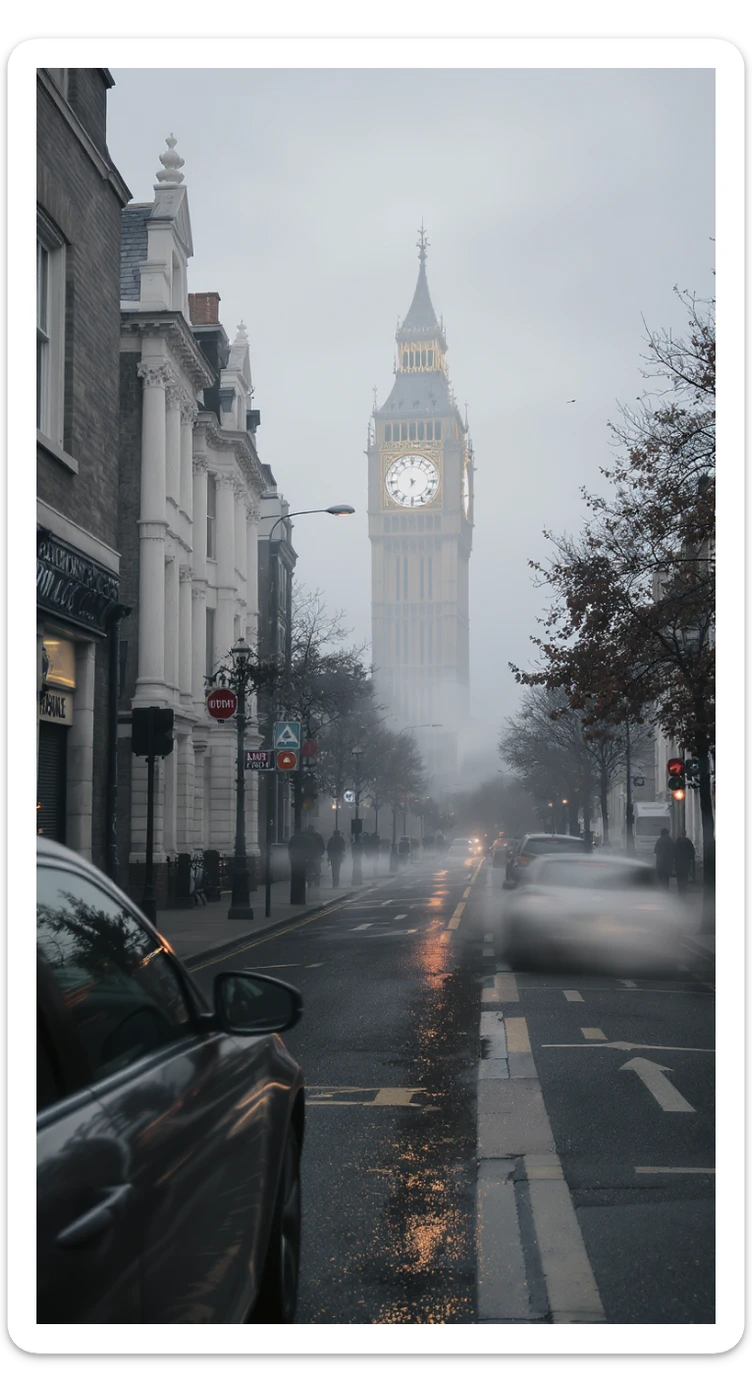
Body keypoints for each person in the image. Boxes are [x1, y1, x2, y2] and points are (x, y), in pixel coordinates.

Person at [673, 832, 696, 897]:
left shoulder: (677, 842)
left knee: (679, 877)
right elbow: (692, 852)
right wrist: (690, 859)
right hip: (686, 862)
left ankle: (680, 891)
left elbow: (674, 851)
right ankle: (684, 890)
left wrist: (674, 859)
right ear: (685, 834)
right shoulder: (688, 842)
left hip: (678, 863)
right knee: (685, 877)